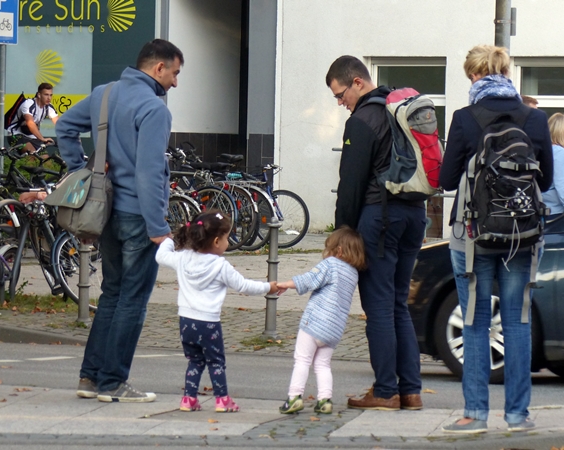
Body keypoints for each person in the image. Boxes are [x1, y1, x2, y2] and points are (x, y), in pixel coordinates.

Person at [56, 39, 184, 403]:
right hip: (139, 216)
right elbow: (149, 173)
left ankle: (90, 378)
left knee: (112, 293)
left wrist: (82, 169)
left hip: (105, 212)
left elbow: (64, 126)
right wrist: (158, 228)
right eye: (175, 73)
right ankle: (113, 382)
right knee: (133, 299)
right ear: (159, 68)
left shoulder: (105, 94)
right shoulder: (154, 109)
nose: (175, 82)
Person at [439, 45, 553, 434]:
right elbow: (545, 182)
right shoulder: (534, 119)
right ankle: (518, 416)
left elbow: (447, 180)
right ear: (506, 73)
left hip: (472, 236)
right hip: (523, 235)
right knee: (518, 322)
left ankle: (475, 414)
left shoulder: (464, 118)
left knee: (475, 322)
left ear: (474, 75)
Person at [325, 56, 426, 411]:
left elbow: (350, 184)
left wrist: (342, 232)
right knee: (398, 303)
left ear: (357, 82)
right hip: (415, 215)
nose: (341, 103)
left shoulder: (362, 120)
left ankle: (385, 391)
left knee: (379, 306)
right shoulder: (400, 110)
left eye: (340, 95)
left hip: (380, 218)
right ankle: (410, 391)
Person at [155, 211, 278, 412]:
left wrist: (168, 239)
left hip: (186, 321)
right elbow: (244, 286)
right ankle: (222, 399)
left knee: (195, 361)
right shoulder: (221, 266)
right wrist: (268, 287)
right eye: (227, 238)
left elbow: (161, 256)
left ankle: (188, 398)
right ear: (216, 241)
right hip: (208, 323)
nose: (227, 242)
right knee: (216, 362)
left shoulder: (183, 258)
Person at [276, 226, 365, 415]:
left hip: (315, 323)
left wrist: (287, 284)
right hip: (333, 330)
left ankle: (294, 397)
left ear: (338, 250)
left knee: (302, 360)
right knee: (322, 365)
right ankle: (325, 400)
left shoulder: (331, 264)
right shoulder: (353, 273)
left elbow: (309, 279)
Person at [7, 83, 59, 154]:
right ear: (39, 95)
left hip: (32, 137)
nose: (49, 98)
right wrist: (42, 138)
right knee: (33, 155)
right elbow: (30, 123)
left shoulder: (49, 107)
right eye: (46, 95)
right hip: (16, 135)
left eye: (51, 95)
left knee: (45, 159)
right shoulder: (28, 104)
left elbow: (59, 124)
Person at [543, 113, 564, 216]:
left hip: (543, 210)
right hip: (557, 214)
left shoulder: (545, 151)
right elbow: (562, 187)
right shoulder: (559, 153)